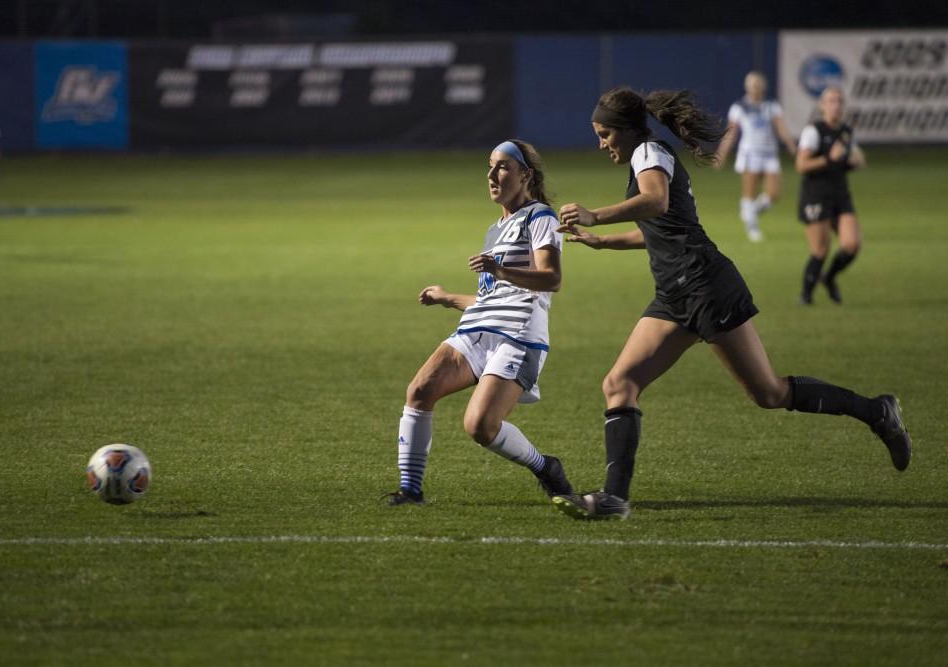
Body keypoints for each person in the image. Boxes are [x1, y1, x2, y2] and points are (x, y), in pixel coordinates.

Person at [551, 87, 910, 520]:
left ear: (626, 130)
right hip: (676, 294)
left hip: (705, 286)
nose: (601, 142)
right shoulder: (645, 157)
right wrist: (604, 242)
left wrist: (596, 215)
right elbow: (663, 228)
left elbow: (656, 202)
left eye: (605, 133)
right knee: (619, 384)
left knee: (769, 393)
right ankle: (614, 499)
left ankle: (876, 411)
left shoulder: (649, 153)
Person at [385, 139, 572, 506]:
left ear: (525, 175)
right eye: (489, 166)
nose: (491, 174)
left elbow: (552, 278)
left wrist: (501, 269)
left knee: (481, 427)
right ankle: (411, 490)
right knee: (420, 390)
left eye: (502, 166)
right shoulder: (494, 230)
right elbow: (491, 300)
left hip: (518, 336)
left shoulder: (540, 218)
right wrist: (447, 298)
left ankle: (546, 467)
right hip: (478, 330)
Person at [795, 86, 865, 305]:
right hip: (816, 195)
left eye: (839, 101)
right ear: (822, 106)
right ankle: (806, 295)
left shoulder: (845, 132)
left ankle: (829, 277)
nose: (836, 105)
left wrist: (855, 160)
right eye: (831, 101)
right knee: (820, 250)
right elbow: (801, 164)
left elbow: (857, 157)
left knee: (851, 245)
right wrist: (829, 158)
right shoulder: (814, 131)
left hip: (840, 194)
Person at [715, 71, 797, 242]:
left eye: (758, 85)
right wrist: (722, 153)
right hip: (750, 154)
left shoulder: (771, 105)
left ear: (763, 87)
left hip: (769, 154)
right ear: (746, 87)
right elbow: (731, 133)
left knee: (774, 194)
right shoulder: (739, 107)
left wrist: (791, 146)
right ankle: (752, 228)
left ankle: (749, 212)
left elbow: (781, 128)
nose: (755, 88)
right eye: (752, 85)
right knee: (750, 193)